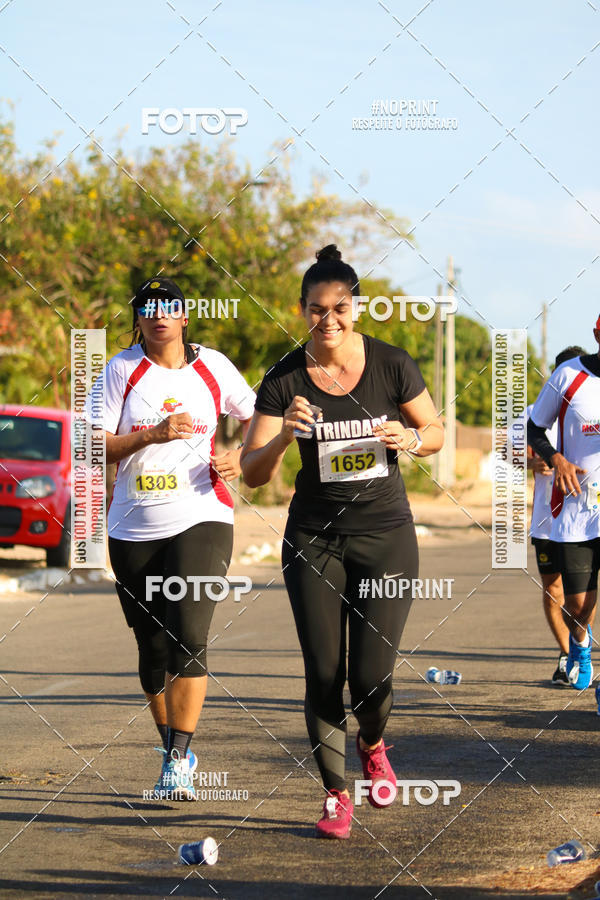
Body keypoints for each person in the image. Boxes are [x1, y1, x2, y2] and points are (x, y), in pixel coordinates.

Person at [241, 245, 444, 838]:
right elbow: (253, 472)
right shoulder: (283, 377)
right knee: (324, 672)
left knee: (373, 677)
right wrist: (283, 438)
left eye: (340, 308)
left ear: (355, 308)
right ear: (301, 311)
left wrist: (407, 438)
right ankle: (335, 795)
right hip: (313, 538)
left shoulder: (391, 363)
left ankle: (374, 742)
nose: (328, 321)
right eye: (316, 310)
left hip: (385, 537)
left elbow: (434, 431)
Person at [96, 276, 255, 798]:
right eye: (148, 307)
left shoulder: (213, 366)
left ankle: (179, 758)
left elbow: (259, 416)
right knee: (152, 649)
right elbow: (95, 448)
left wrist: (243, 456)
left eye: (169, 306)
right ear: (138, 318)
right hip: (133, 525)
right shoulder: (121, 370)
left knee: (189, 633)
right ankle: (172, 749)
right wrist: (152, 434)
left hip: (203, 513)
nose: (159, 314)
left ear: (185, 315)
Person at [528, 317, 600, 691]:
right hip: (575, 513)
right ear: (597, 335)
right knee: (576, 605)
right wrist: (556, 459)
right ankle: (580, 644)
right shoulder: (569, 376)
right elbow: (533, 429)